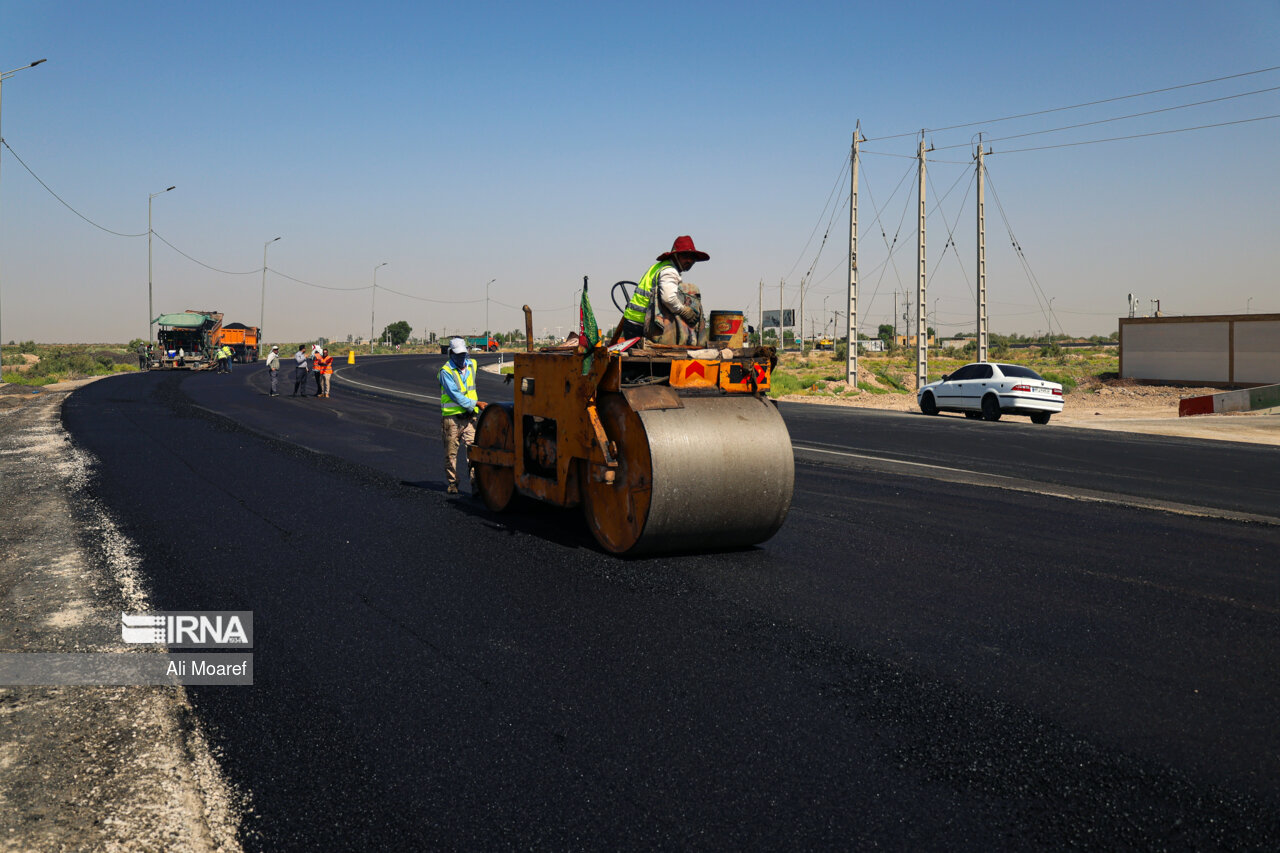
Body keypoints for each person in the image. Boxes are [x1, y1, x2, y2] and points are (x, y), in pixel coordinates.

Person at [618, 235, 709, 346]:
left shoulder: (659, 267)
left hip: (633, 321)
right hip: (641, 325)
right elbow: (668, 298)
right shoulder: (669, 271)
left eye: (692, 257)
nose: (689, 260)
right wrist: (684, 310)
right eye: (685, 256)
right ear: (676, 255)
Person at [438, 337, 486, 495]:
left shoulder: (473, 365)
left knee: (473, 451)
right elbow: (456, 396)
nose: (461, 357)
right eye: (457, 354)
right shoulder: (446, 372)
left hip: (469, 418)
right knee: (451, 454)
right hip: (452, 419)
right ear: (450, 353)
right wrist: (477, 403)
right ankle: (453, 483)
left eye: (463, 353)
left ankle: (476, 484)